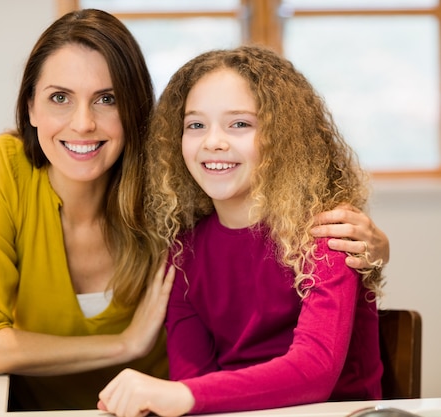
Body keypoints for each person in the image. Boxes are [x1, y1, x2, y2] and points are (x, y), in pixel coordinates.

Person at [0, 9, 389, 411]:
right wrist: (132, 351)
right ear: (30, 107)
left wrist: (376, 250)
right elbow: (192, 371)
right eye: (196, 125)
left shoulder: (312, 229)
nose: (83, 122)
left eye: (107, 98)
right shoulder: (186, 239)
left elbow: (312, 366)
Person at [97, 45, 385, 417]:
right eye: (195, 125)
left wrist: (179, 395)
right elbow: (194, 375)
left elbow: (315, 373)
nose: (213, 141)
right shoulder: (184, 252)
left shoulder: (327, 233)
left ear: (282, 138)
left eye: (240, 124)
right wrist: (183, 394)